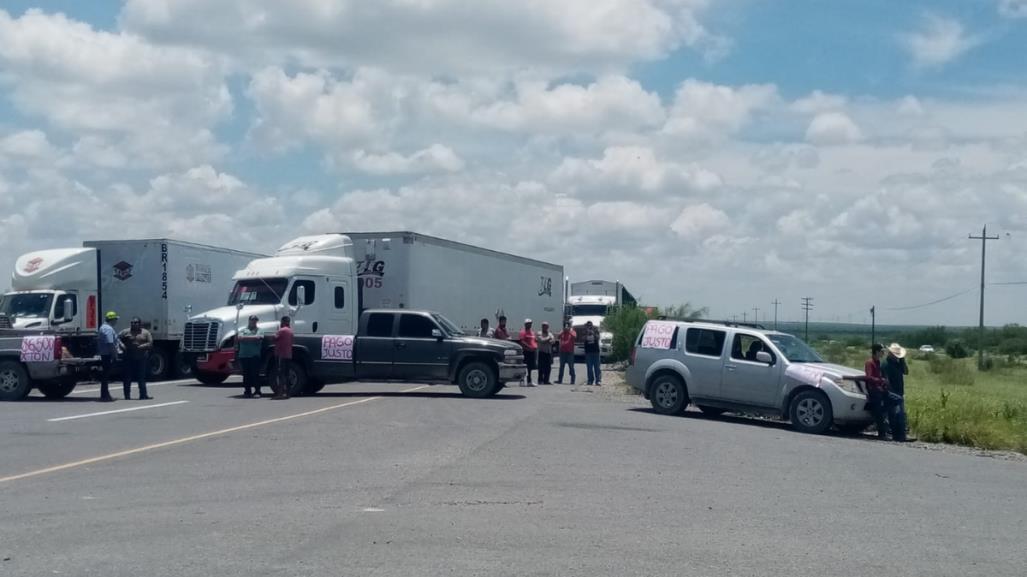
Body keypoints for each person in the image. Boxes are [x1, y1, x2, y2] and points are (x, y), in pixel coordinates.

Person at [864, 343, 895, 440]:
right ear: (876, 352)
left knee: (894, 401)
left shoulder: (878, 363)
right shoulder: (870, 363)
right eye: (882, 351)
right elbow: (869, 377)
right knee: (878, 411)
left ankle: (889, 429)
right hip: (873, 390)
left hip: (880, 389)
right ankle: (882, 433)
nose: (883, 353)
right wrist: (880, 380)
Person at [882, 343, 911, 442]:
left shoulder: (898, 364)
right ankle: (896, 436)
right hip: (892, 394)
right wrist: (892, 393)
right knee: (894, 415)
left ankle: (901, 435)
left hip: (899, 393)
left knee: (900, 415)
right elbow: (886, 380)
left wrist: (902, 360)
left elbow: (906, 371)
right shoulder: (886, 364)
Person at [119, 317, 153, 400]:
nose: (133, 324)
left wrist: (142, 346)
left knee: (141, 377)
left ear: (139, 324)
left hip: (141, 357)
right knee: (127, 377)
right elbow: (117, 338)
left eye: (135, 322)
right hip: (128, 357)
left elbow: (150, 343)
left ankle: (143, 395)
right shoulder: (126, 331)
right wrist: (121, 345)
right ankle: (127, 396)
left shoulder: (145, 332)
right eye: (132, 322)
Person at [236, 315, 265, 398]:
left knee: (255, 374)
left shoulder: (259, 330)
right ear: (249, 320)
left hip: (254, 356)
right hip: (244, 356)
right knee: (246, 375)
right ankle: (247, 391)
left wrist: (245, 338)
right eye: (252, 320)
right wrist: (253, 338)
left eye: (255, 320)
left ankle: (257, 391)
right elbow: (239, 338)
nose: (254, 321)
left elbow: (259, 338)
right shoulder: (243, 330)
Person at [95, 311, 119, 402]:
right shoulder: (108, 329)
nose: (116, 321)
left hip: (104, 353)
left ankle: (105, 394)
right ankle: (105, 395)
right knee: (106, 376)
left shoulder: (102, 327)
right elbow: (110, 343)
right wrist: (115, 355)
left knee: (105, 375)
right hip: (107, 354)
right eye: (115, 319)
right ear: (112, 319)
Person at [272, 316, 294, 399]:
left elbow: (274, 338)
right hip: (288, 355)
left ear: (283, 321)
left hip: (281, 354)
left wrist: (276, 332)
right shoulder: (290, 331)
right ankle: (288, 393)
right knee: (287, 374)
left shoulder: (282, 330)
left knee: (281, 374)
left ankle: (280, 394)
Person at [519, 318, 538, 386]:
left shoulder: (532, 332)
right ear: (525, 324)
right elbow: (522, 342)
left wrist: (535, 346)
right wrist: (529, 347)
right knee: (524, 367)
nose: (529, 325)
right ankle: (521, 381)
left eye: (530, 323)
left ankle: (529, 381)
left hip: (532, 352)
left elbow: (534, 340)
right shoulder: (523, 332)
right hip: (526, 352)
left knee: (530, 368)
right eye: (528, 323)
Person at [583, 321, 602, 386]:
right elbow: (583, 338)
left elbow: (598, 338)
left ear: (592, 325)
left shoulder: (596, 331)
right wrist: (587, 333)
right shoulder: (584, 332)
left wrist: (592, 333)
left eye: (590, 325)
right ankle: (590, 380)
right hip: (588, 352)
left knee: (597, 367)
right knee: (589, 367)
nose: (589, 326)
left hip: (596, 352)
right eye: (588, 325)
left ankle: (598, 381)